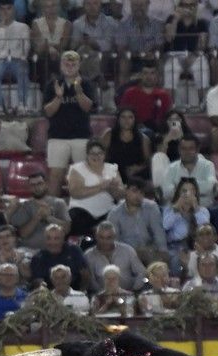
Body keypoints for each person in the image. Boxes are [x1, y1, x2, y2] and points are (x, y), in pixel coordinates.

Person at [43, 50, 96, 196]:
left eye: (73, 64)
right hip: (57, 136)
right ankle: (52, 211)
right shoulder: (53, 84)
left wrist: (79, 92)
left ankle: (84, 209)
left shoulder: (86, 84)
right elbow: (48, 112)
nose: (70, 67)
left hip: (81, 136)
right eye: (67, 64)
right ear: (61, 65)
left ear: (79, 65)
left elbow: (88, 108)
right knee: (55, 176)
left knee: (82, 176)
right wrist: (58, 97)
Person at [66, 140, 122, 237]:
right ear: (87, 155)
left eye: (99, 153)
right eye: (92, 153)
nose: (96, 156)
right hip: (81, 211)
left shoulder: (112, 169)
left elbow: (121, 196)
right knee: (76, 218)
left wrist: (112, 188)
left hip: (107, 211)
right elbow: (75, 192)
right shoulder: (77, 169)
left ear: (104, 154)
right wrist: (101, 187)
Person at [0, 1, 30, 115]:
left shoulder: (23, 27)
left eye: (8, 8)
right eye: (2, 9)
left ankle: (22, 104)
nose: (5, 12)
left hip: (17, 60)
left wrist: (5, 54)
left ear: (14, 10)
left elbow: (24, 49)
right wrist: (2, 27)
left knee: (22, 70)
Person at [9, 172, 70, 252]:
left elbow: (67, 229)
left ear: (46, 184)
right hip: (28, 250)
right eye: (33, 185)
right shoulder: (25, 206)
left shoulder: (59, 203)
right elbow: (23, 234)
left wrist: (49, 218)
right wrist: (37, 217)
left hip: (54, 250)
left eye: (39, 183)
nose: (36, 187)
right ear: (29, 187)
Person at [84, 221, 146, 293]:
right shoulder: (88, 255)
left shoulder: (127, 250)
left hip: (128, 293)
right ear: (96, 237)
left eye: (109, 238)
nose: (105, 241)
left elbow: (141, 272)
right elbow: (91, 280)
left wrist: (134, 290)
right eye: (101, 237)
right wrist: (101, 294)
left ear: (114, 237)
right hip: (102, 296)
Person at [159, 134, 218, 211]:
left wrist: (179, 187)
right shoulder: (171, 168)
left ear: (197, 150)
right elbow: (167, 193)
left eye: (191, 148)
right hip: (178, 211)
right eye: (183, 149)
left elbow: (210, 187)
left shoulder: (208, 165)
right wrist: (198, 189)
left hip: (204, 209)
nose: (187, 152)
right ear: (179, 150)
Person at [100, 108, 152, 185]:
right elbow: (100, 155)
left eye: (130, 117)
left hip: (134, 174)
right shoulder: (109, 135)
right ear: (118, 119)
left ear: (134, 119)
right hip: (112, 172)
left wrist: (138, 168)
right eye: (123, 117)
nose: (126, 120)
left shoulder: (143, 138)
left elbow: (148, 161)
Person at [118, 61, 172, 135]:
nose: (148, 77)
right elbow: (122, 115)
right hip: (135, 133)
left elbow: (170, 118)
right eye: (145, 73)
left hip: (158, 134)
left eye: (152, 73)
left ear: (157, 76)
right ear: (140, 75)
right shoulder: (129, 93)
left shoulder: (164, 95)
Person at [29, 223, 87, 290]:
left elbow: (85, 274)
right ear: (44, 239)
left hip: (75, 291)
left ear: (63, 239)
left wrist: (82, 292)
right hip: (51, 294)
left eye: (56, 238)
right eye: (48, 238)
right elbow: (38, 282)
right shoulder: (38, 258)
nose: (52, 242)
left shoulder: (74, 250)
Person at [160, 179, 208, 260]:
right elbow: (165, 226)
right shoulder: (170, 209)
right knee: (176, 259)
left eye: (192, 190)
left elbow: (205, 228)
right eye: (184, 191)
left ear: (196, 193)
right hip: (174, 247)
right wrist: (176, 209)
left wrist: (196, 208)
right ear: (178, 192)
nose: (188, 194)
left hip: (197, 246)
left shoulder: (202, 211)